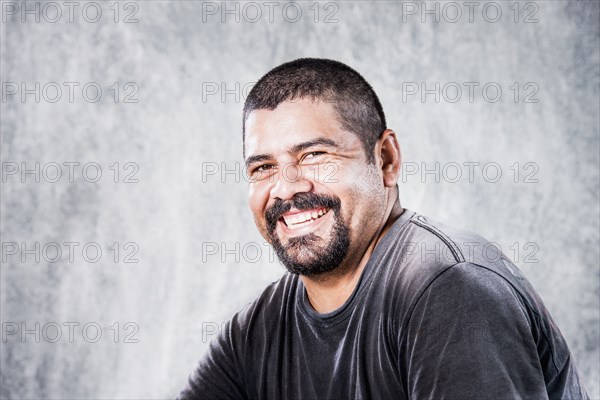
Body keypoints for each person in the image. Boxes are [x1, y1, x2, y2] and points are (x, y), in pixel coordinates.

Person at [178, 58, 588, 399]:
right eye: (263, 167)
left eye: (315, 155)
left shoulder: (449, 289)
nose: (286, 188)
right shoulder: (255, 334)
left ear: (387, 159)